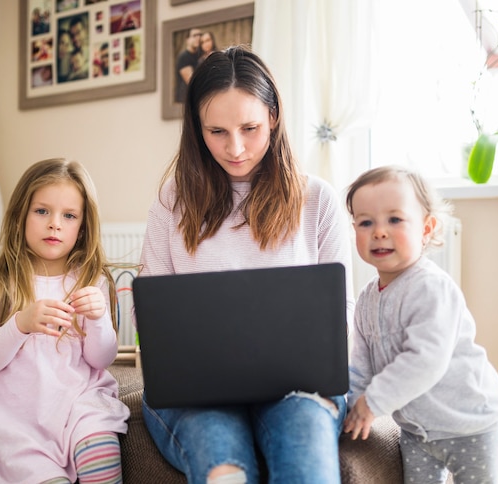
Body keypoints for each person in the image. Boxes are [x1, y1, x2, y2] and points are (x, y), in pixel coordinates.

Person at [138, 45, 354, 484]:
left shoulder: (317, 200)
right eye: (216, 131)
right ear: (197, 130)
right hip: (196, 391)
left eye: (250, 128)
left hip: (300, 389)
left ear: (274, 116)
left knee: (306, 461)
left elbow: (340, 319)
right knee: (223, 467)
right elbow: (155, 324)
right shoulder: (171, 202)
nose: (235, 148)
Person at [0, 158, 130, 484]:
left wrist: (97, 319)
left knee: (102, 462)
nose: (55, 224)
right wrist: (19, 324)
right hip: (18, 418)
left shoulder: (91, 279)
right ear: (20, 215)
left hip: (82, 405)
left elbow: (102, 358)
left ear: (82, 227)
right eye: (42, 211)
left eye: (69, 216)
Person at [343, 165, 498, 484]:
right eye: (366, 222)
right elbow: (361, 366)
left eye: (394, 219)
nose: (379, 231)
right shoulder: (366, 300)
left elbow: (425, 359)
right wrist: (353, 407)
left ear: (426, 228)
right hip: (417, 432)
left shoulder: (431, 288)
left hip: (470, 424)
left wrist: (374, 402)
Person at [174, 27, 201, 103]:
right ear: (187, 39)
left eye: (199, 35)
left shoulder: (199, 55)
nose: (198, 38)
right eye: (194, 35)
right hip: (185, 101)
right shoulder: (184, 57)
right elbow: (191, 81)